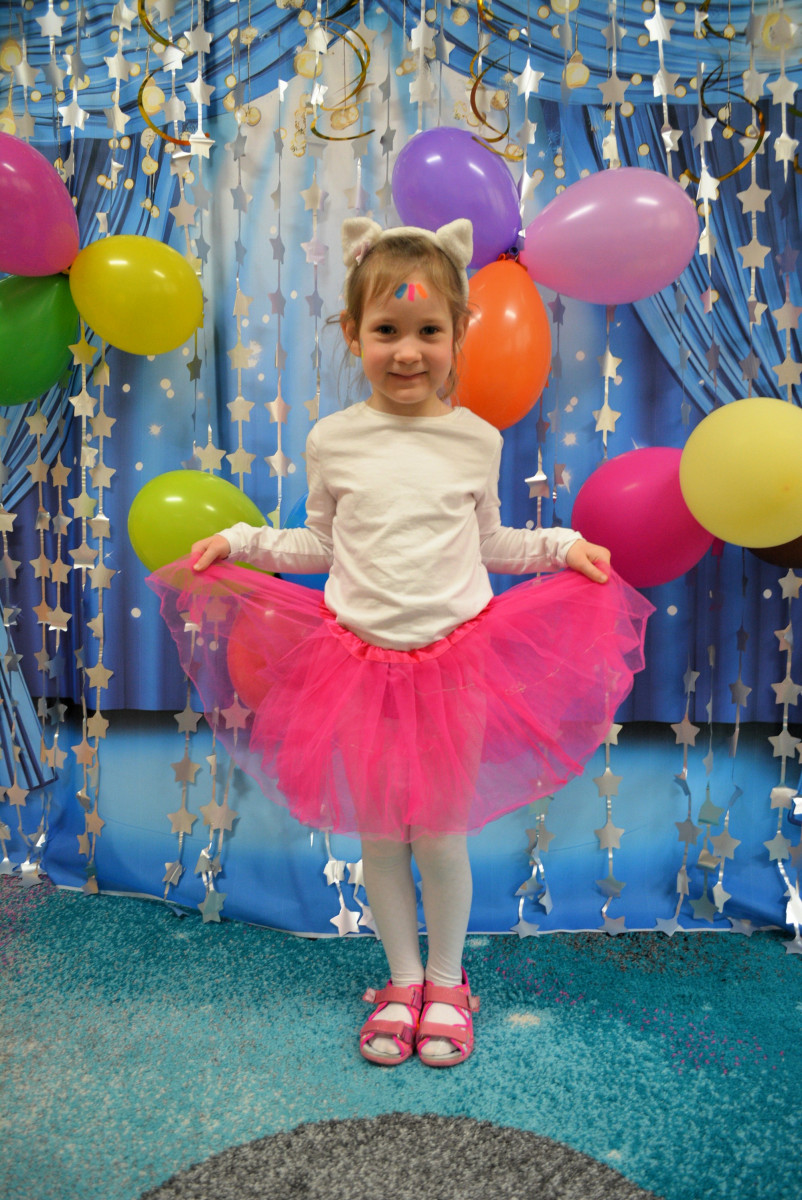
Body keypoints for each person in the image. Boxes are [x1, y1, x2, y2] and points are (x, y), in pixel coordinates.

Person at [148, 217, 652, 1069]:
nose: (408, 351)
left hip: (455, 667)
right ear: (353, 334)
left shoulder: (476, 440)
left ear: (459, 335)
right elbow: (318, 544)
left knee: (440, 835)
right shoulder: (334, 439)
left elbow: (491, 542)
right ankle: (402, 979)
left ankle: (449, 983)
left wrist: (563, 546)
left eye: (428, 331)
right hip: (356, 666)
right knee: (381, 836)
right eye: (387, 330)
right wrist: (240, 540)